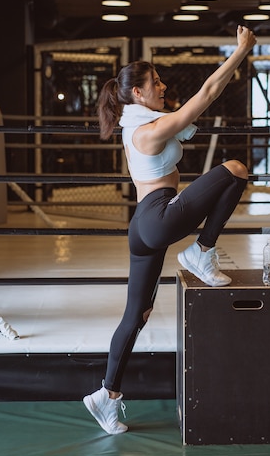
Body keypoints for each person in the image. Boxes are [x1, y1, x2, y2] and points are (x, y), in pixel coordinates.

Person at [83, 25, 256, 435]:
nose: (162, 86)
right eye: (154, 82)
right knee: (235, 170)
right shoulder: (150, 130)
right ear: (137, 94)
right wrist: (241, 51)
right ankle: (202, 250)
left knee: (137, 315)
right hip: (158, 218)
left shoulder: (135, 123)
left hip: (143, 225)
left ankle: (105, 394)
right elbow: (210, 91)